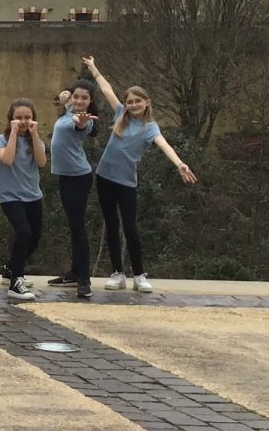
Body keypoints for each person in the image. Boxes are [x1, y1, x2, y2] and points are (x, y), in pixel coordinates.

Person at [84, 56, 198, 293]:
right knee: (111, 224)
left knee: (130, 227)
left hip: (126, 183)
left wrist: (179, 164)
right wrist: (94, 67)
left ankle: (139, 274)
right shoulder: (119, 115)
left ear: (147, 103)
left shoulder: (150, 127)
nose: (133, 105)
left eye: (137, 101)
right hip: (104, 178)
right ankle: (117, 273)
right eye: (130, 101)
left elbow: (164, 145)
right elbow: (106, 89)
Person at [0, 98, 47, 302]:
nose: (23, 121)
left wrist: (34, 135)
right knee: (23, 232)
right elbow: (7, 159)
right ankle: (16, 281)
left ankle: (10, 269)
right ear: (11, 119)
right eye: (18, 118)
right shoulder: (0, 140)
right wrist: (14, 133)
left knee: (34, 238)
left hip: (33, 195)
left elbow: (41, 162)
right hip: (11, 196)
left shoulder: (36, 141)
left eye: (27, 117)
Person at [48, 80, 99, 298]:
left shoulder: (85, 120)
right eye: (76, 96)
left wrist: (81, 120)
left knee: (78, 228)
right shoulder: (69, 112)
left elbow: (80, 124)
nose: (79, 101)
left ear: (90, 101)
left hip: (78, 177)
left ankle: (84, 280)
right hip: (66, 176)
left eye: (84, 98)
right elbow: (69, 106)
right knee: (73, 225)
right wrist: (65, 100)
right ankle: (75, 272)